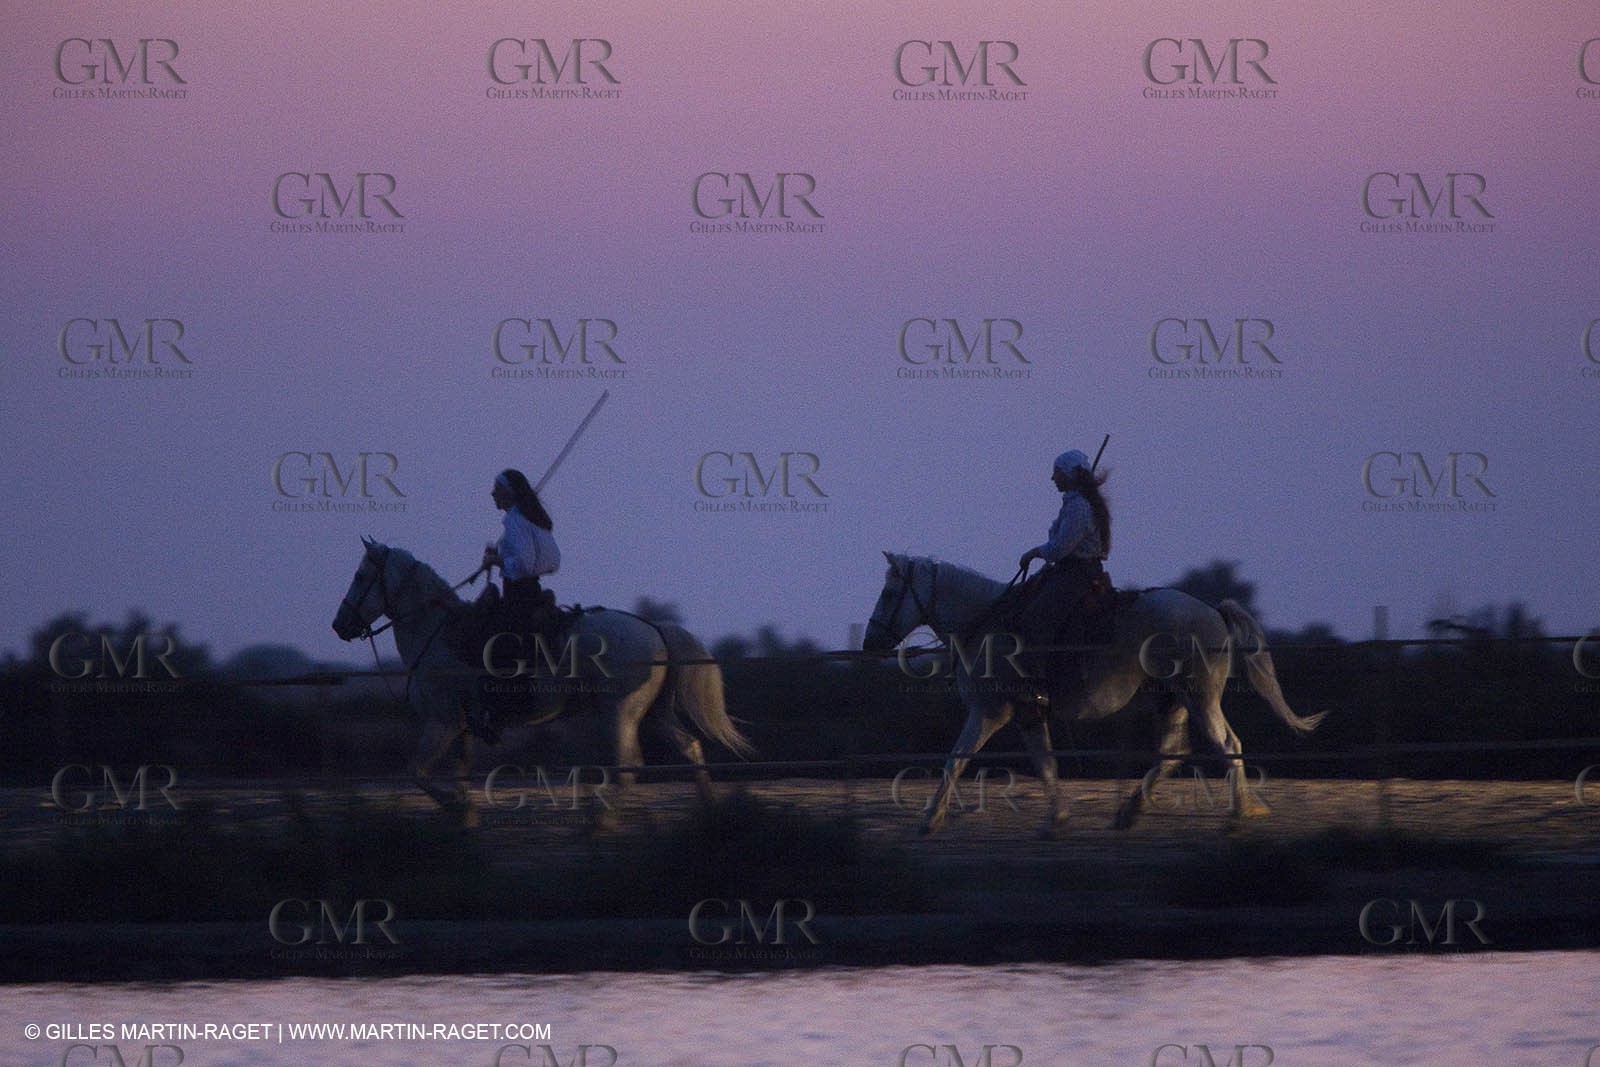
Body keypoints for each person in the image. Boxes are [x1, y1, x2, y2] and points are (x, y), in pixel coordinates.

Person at [1014, 449, 1112, 687]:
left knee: (1036, 617)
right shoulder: (1077, 503)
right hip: (1068, 571)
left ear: (1069, 475)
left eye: (1056, 473)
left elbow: (1059, 549)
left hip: (1077, 574)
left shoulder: (1079, 507)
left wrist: (1034, 552)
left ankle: (1037, 682)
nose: (1052, 478)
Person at [483, 468, 561, 637]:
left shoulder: (515, 521)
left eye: (497, 489)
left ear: (509, 492)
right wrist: (499, 557)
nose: (492, 494)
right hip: (531, 592)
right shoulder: (528, 518)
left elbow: (525, 564)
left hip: (518, 599)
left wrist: (496, 561)